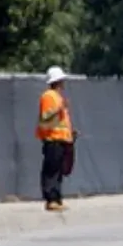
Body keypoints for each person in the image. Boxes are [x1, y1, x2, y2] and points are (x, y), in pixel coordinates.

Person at [38, 66, 75, 211]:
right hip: (52, 139)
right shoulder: (48, 96)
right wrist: (60, 109)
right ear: (57, 81)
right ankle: (50, 199)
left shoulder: (58, 97)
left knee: (59, 171)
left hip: (61, 139)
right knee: (51, 171)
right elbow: (46, 121)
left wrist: (71, 134)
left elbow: (61, 121)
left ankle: (57, 198)